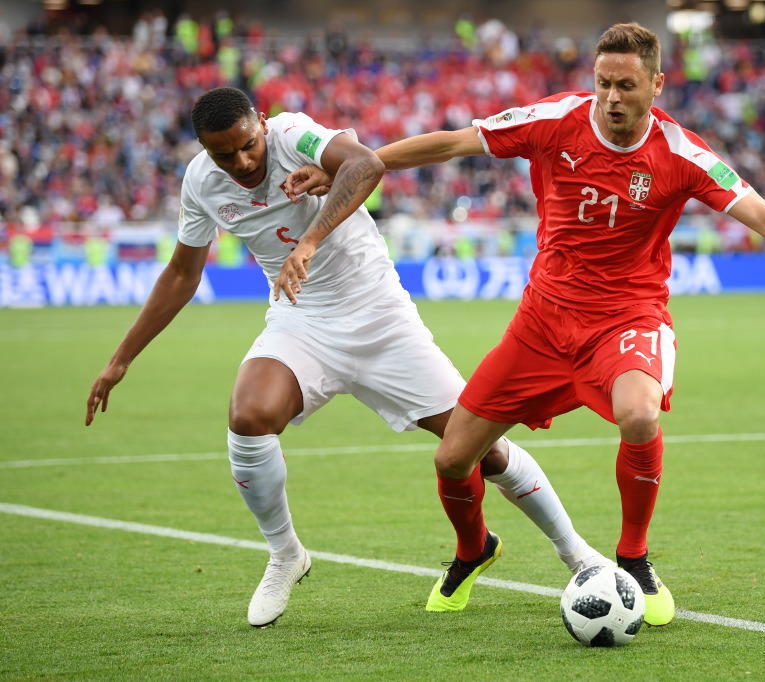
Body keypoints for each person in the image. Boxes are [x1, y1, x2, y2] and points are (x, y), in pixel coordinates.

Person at [277, 23, 765, 627]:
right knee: (453, 460)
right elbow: (455, 144)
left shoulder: (681, 153)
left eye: (627, 86)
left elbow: (764, 216)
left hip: (626, 319)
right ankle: (472, 550)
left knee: (639, 413)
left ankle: (634, 559)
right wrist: (365, 165)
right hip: (542, 323)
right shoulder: (555, 121)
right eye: (603, 83)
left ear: (657, 85)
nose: (612, 97)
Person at [85, 86, 605, 628]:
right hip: (301, 322)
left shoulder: (292, 134)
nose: (241, 162)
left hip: (380, 318)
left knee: (481, 449)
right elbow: (181, 274)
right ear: (203, 150)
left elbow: (363, 163)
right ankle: (286, 555)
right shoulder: (201, 183)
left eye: (247, 146)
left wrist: (307, 241)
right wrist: (121, 359)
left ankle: (576, 554)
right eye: (223, 155)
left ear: (261, 124)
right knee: (248, 416)